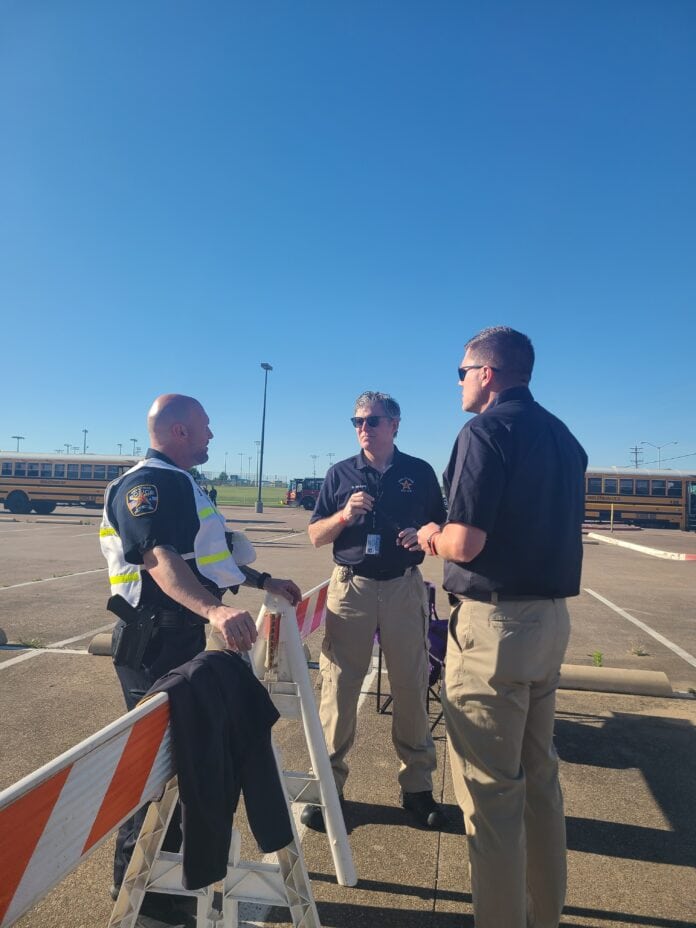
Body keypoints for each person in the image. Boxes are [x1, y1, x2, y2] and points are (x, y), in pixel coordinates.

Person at [100, 393, 301, 925]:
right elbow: (160, 559)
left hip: (178, 638)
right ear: (180, 431)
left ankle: (168, 888)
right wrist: (215, 611)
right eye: (206, 428)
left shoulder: (180, 483)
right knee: (152, 772)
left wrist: (260, 580)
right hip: (154, 645)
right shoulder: (149, 484)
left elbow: (208, 555)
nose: (212, 436)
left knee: (180, 762)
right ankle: (138, 896)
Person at [416, 327, 587, 928]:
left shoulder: (485, 431)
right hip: (549, 624)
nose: (459, 382)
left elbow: (465, 541)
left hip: (495, 630)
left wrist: (430, 535)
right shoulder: (565, 439)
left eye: (461, 371)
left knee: (490, 798)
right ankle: (545, 916)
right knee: (540, 782)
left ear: (486, 373)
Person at [304, 391, 447, 831]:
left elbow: (439, 525)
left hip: (404, 587)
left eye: (373, 420)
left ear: (396, 423)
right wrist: (344, 516)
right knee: (339, 687)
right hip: (352, 587)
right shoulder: (340, 473)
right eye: (357, 421)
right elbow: (315, 535)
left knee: (410, 683)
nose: (364, 428)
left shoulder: (419, 472)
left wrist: (422, 533)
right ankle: (329, 787)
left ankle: (417, 788)